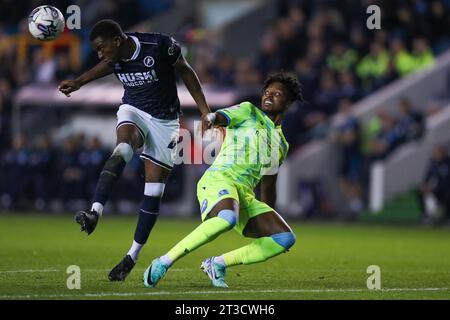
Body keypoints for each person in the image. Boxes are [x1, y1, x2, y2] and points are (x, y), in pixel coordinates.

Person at [58, 19, 211, 281]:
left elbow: (186, 71)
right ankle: (95, 212)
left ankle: (132, 255)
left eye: (101, 47)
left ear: (117, 41)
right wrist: (80, 82)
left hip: (165, 121)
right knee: (123, 147)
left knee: (154, 190)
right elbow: (107, 64)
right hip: (134, 110)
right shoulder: (114, 56)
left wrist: (205, 111)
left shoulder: (161, 45)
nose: (99, 53)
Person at [143, 71, 301, 288]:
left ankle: (217, 264)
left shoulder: (281, 144)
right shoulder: (249, 111)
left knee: (285, 238)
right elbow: (222, 117)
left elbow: (268, 184)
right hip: (219, 179)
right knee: (227, 218)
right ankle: (163, 262)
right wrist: (211, 117)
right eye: (267, 92)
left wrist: (267, 218)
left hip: (243, 194)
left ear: (289, 101)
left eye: (277, 93)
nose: (269, 96)